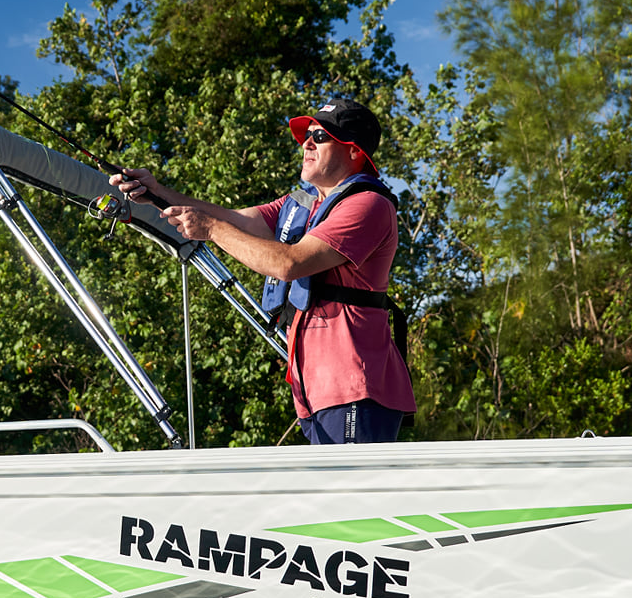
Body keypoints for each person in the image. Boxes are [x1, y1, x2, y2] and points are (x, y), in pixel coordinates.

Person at [108, 98, 416, 444]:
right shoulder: (305, 202)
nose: (307, 143)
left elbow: (289, 263)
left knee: (353, 496)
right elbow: (239, 219)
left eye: (320, 136)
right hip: (317, 389)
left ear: (355, 152)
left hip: (355, 388)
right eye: (306, 136)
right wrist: (158, 193)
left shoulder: (368, 205)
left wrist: (210, 230)